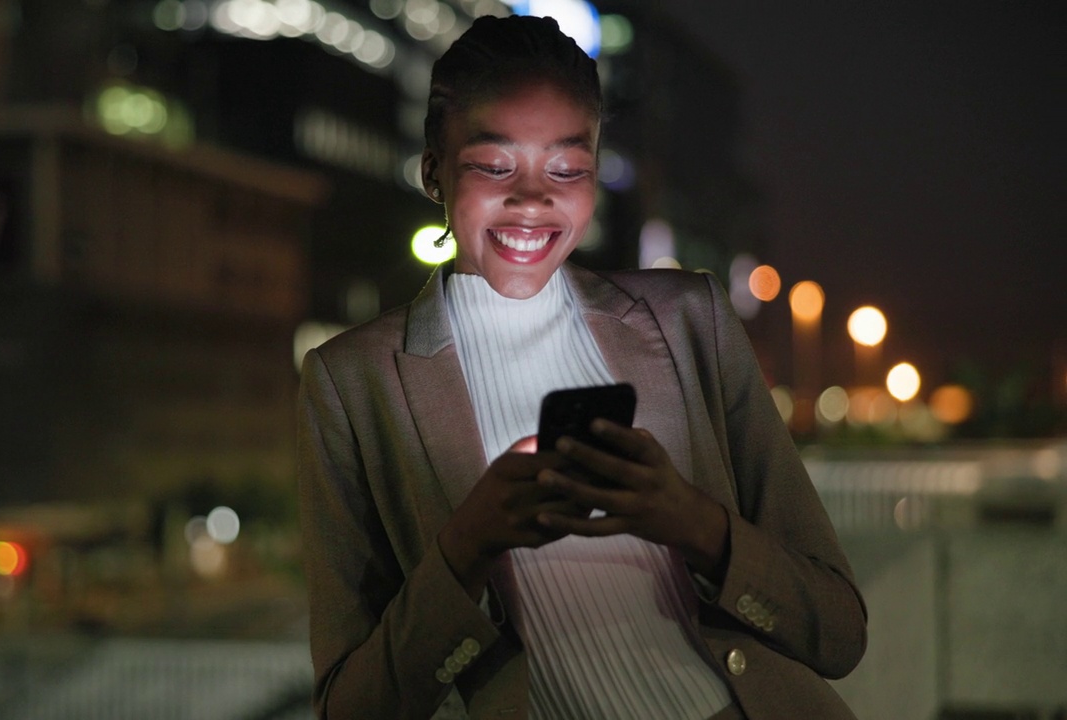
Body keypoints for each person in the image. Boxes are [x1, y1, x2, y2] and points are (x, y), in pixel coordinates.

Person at [297, 15, 866, 720]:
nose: (534, 198)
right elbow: (350, 709)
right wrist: (467, 547)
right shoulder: (352, 383)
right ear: (433, 169)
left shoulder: (689, 318)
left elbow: (839, 631)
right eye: (494, 165)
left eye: (567, 168)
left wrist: (690, 520)